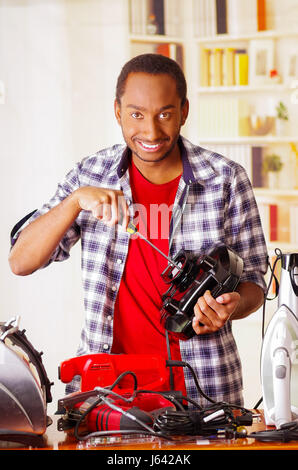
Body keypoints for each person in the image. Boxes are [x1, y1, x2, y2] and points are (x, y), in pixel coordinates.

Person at [9, 53, 267, 407]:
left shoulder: (226, 178)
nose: (151, 131)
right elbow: (20, 261)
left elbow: (255, 281)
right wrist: (74, 201)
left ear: (184, 111)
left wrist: (232, 306)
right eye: (136, 114)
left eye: (165, 114)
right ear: (117, 111)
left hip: (205, 393)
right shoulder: (89, 175)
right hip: (106, 395)